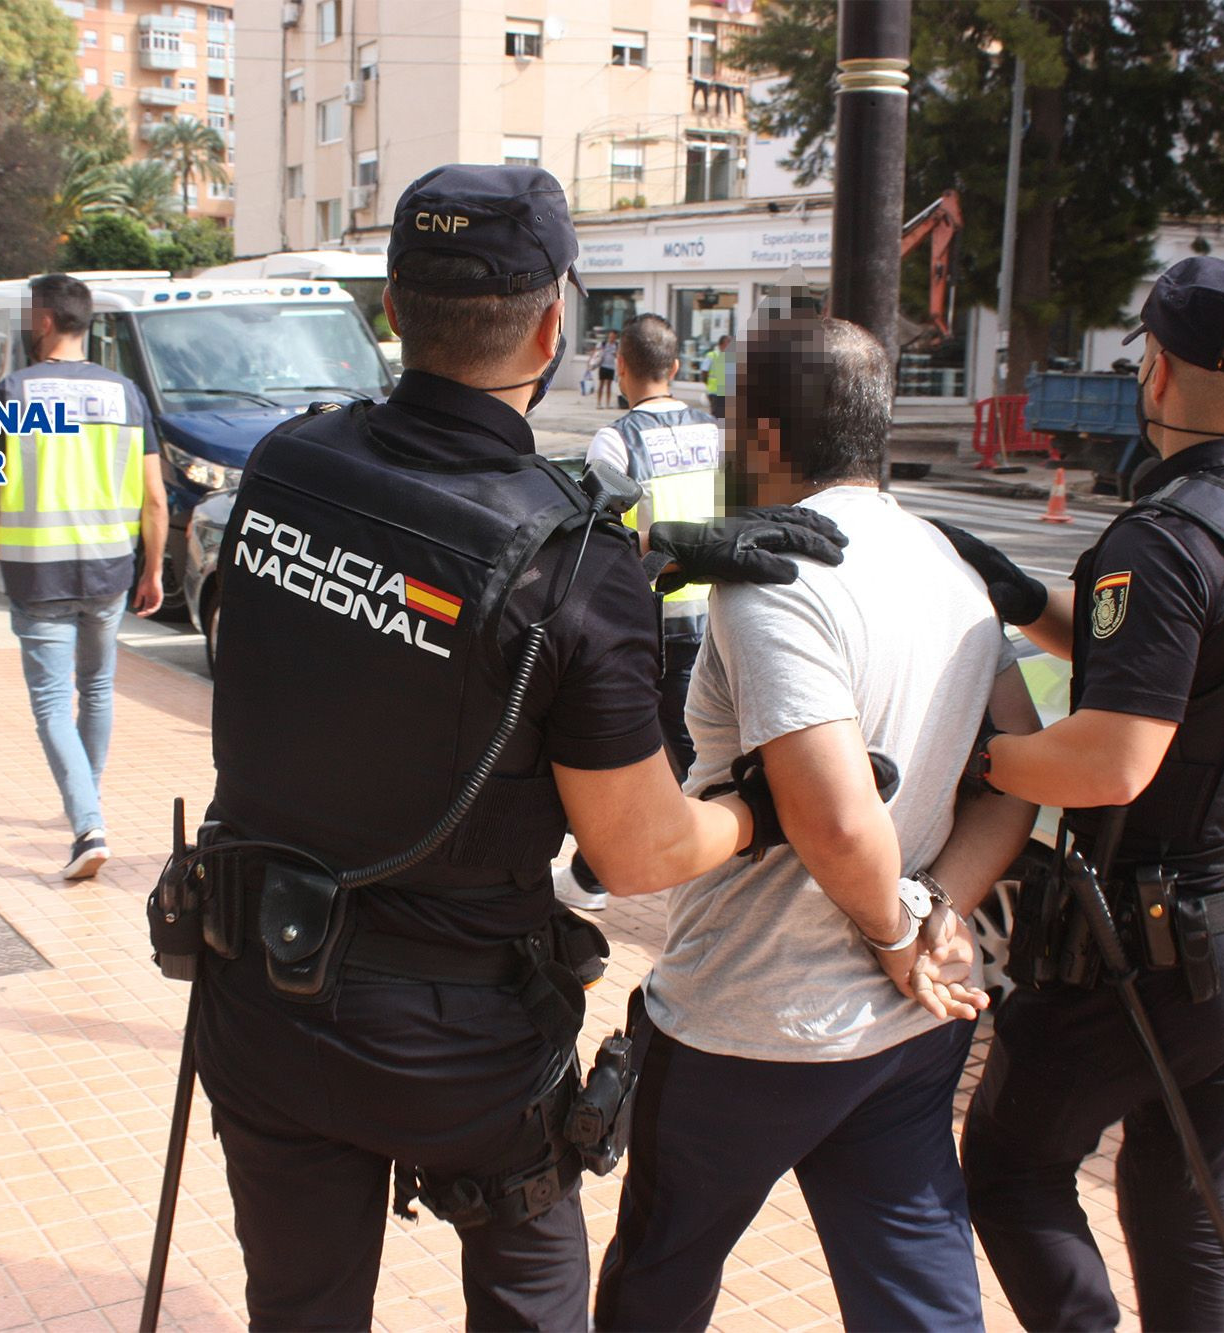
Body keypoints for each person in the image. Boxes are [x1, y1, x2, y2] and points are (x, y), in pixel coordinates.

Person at [189, 164, 847, 1330]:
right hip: (462, 1052)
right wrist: (758, 804)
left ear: (392, 306)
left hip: (264, 994)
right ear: (555, 323)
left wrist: (643, 564)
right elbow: (639, 851)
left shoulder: (285, 467)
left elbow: (395, 628)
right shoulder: (570, 565)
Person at [591, 314, 1042, 1333]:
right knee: (916, 1290)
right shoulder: (948, 566)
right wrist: (938, 914)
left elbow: (831, 817)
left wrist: (895, 931)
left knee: (657, 1281)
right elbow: (1014, 769)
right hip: (905, 1028)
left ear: (759, 435)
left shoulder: (770, 576)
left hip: (745, 1019)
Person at [943, 257, 1224, 1332]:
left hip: (1155, 954)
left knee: (1009, 1165)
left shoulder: (1163, 540)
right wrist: (1028, 597)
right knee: (1185, 1211)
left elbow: (1111, 758)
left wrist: (980, 758)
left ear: (1155, 371)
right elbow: (1188, 676)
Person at [0, 273, 165, 880]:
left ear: (44, 320)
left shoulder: (16, 391)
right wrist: (152, 569)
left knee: (52, 703)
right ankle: (87, 797)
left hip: (38, 575)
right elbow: (155, 499)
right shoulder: (126, 393)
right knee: (97, 689)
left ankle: (87, 826)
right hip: (108, 571)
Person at [555, 312, 722, 913]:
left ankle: (611, 874)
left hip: (658, 619)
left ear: (620, 366)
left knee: (669, 758)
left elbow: (598, 538)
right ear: (675, 368)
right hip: (723, 614)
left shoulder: (616, 440)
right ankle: (595, 872)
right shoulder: (715, 431)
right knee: (701, 749)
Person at [702, 332, 730, 420]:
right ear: (720, 345)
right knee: (716, 415)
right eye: (728, 343)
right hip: (715, 392)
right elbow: (704, 371)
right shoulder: (712, 355)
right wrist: (708, 384)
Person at [593, 327, 619, 408]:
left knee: (609, 385)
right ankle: (599, 403)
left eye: (614, 337)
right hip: (603, 366)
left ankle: (608, 403)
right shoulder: (603, 344)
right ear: (608, 336)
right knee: (601, 384)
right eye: (611, 336)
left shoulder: (616, 345)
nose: (612, 338)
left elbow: (619, 355)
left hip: (611, 367)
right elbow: (596, 353)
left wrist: (616, 354)